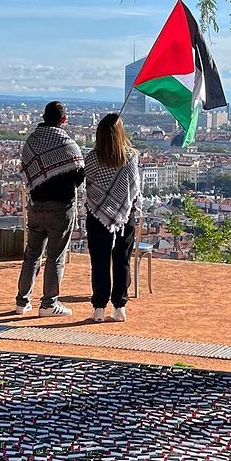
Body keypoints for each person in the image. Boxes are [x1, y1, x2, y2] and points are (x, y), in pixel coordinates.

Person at [16, 101, 84, 316]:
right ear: (64, 120)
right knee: (56, 256)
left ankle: (22, 302)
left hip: (36, 204)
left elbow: (26, 169)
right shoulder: (67, 145)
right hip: (61, 207)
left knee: (31, 254)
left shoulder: (32, 141)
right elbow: (79, 176)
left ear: (43, 117)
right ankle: (48, 303)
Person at [83, 113, 141, 322]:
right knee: (122, 260)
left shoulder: (91, 157)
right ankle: (120, 307)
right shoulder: (131, 157)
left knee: (99, 262)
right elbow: (134, 188)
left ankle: (99, 308)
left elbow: (89, 186)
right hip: (125, 215)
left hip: (97, 214)